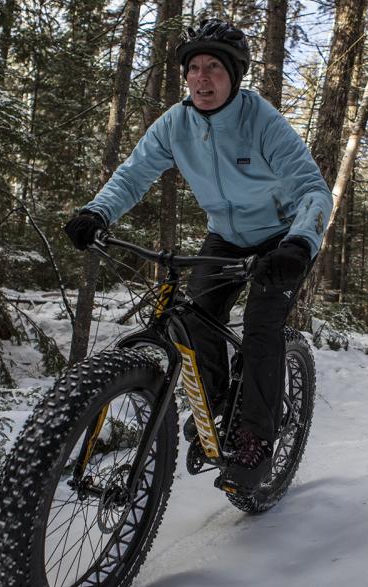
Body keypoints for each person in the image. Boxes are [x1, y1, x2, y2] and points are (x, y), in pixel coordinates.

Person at [65, 18, 332, 490]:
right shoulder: (176, 123)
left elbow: (312, 188)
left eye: (214, 68)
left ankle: (255, 438)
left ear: (234, 75)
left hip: (282, 239)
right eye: (193, 68)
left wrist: (299, 243)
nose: (202, 78)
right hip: (226, 236)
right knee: (193, 319)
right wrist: (97, 213)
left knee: (261, 327)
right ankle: (216, 405)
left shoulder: (261, 121)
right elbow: (133, 175)